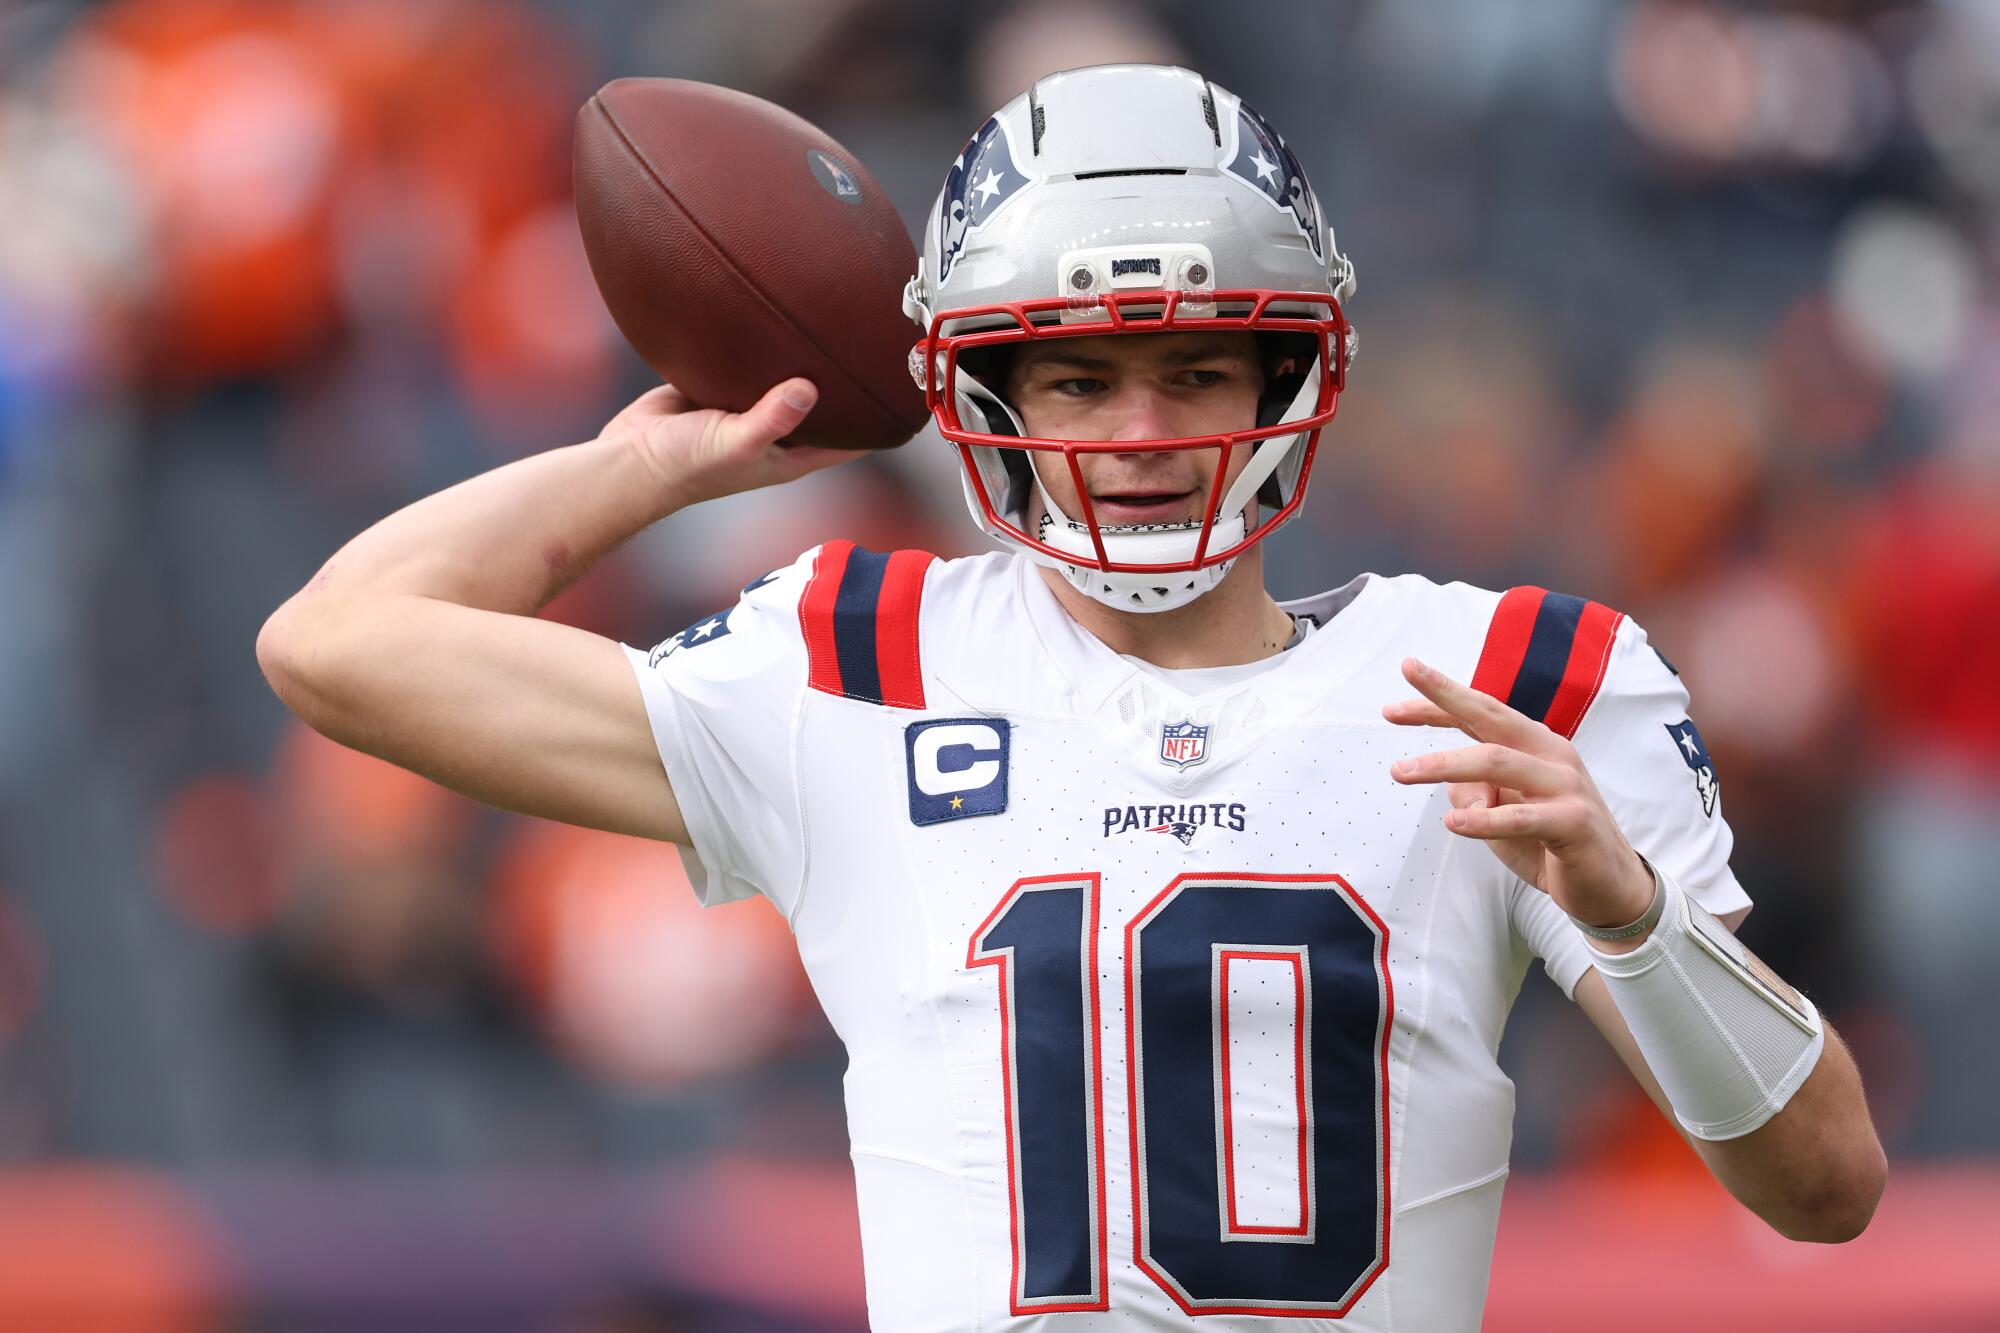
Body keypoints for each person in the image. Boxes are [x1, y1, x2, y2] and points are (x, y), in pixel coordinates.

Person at [258, 64, 1885, 1331]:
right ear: (981, 393)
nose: (1141, 431)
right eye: (1078, 375)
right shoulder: (857, 661)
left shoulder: (1505, 685)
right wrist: (634, 470)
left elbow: (1825, 1188)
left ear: (1288, 377)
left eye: (1194, 368)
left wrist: (1632, 912)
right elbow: (336, 643)